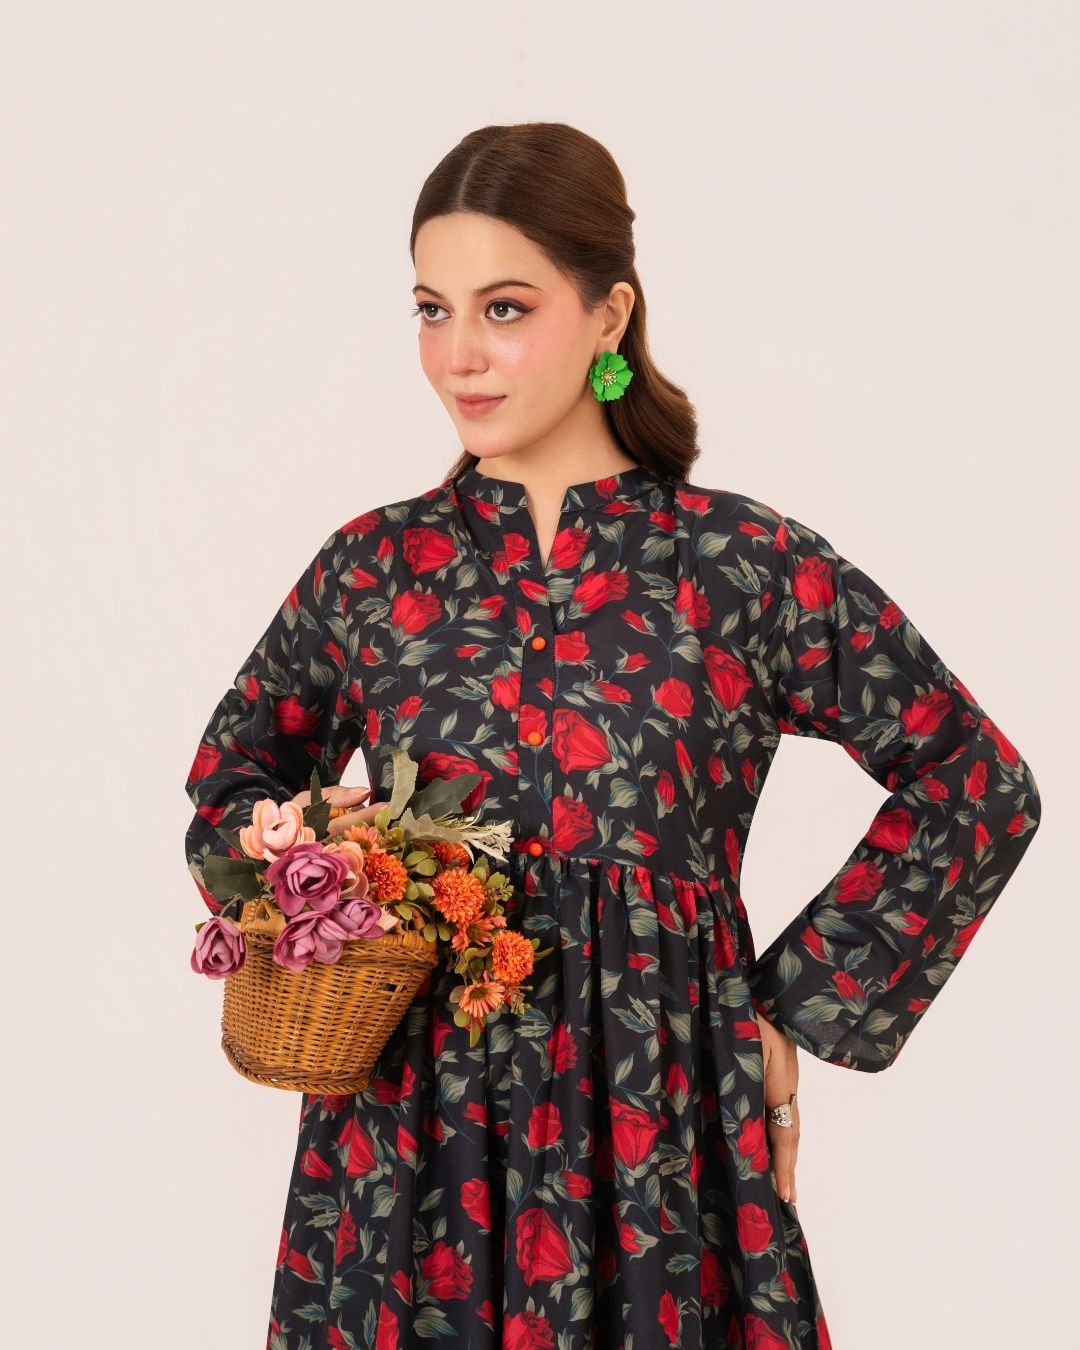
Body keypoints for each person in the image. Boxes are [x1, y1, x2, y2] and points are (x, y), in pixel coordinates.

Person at [183, 123, 1042, 1350]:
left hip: (661, 1130)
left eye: (506, 308)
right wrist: (306, 858)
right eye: (432, 310)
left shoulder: (736, 564)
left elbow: (976, 781)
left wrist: (791, 1009)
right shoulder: (374, 571)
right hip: (410, 1143)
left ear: (610, 316)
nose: (459, 354)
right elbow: (233, 787)